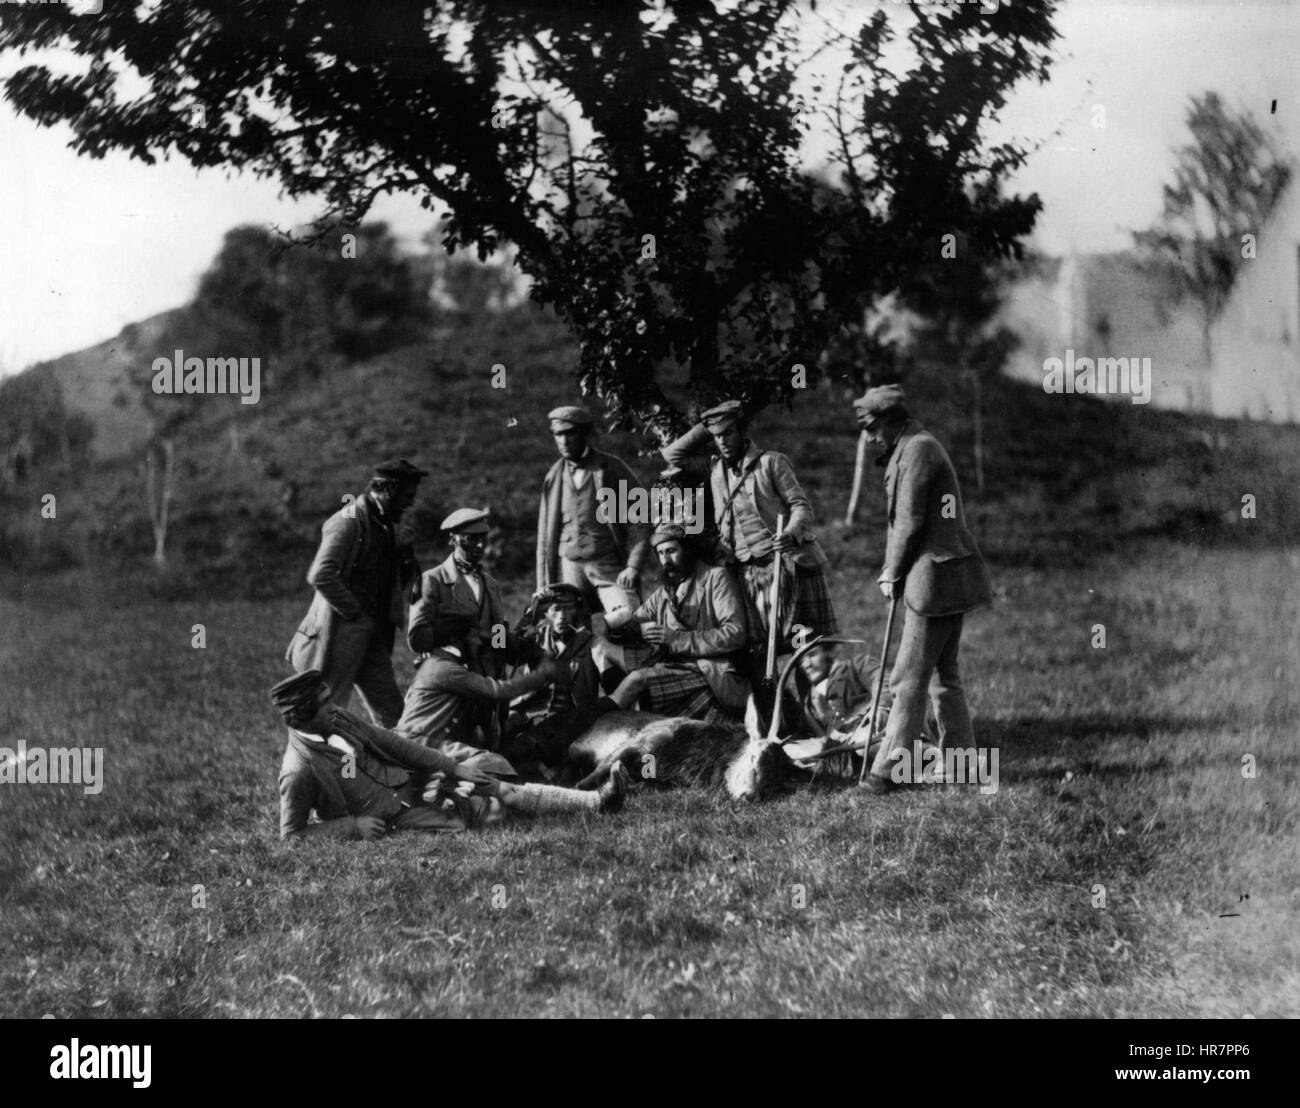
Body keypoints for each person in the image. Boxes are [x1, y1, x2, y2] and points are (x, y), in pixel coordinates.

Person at [273, 670, 627, 842]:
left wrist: (453, 766)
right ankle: (586, 800)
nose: (334, 708)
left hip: (412, 783)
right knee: (491, 813)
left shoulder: (340, 720)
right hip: (395, 818)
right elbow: (292, 837)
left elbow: (395, 744)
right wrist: (354, 826)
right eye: (324, 704)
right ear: (302, 715)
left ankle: (596, 802)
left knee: (493, 784)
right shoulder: (299, 770)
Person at [853, 384, 992, 794]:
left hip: (933, 580)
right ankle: (964, 766)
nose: (870, 437)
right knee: (943, 676)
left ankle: (886, 773)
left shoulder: (917, 450)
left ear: (892, 420)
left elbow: (910, 522)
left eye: (873, 427)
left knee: (907, 678)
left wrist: (891, 573)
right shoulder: (910, 445)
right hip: (947, 576)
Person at [660, 400, 838, 663]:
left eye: (728, 433)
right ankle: (776, 704)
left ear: (743, 432)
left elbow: (800, 506)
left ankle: (814, 701)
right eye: (717, 436)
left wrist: (790, 533)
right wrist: (706, 425)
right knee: (759, 653)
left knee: (804, 649)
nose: (723, 442)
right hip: (745, 574)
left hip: (786, 567)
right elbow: (672, 455)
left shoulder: (771, 463)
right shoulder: (714, 468)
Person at [285, 458, 426, 728]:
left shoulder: (387, 527)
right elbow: (321, 575)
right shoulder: (347, 522)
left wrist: (406, 556)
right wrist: (356, 614)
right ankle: (311, 769)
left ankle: (404, 768)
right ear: (389, 489)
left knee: (394, 715)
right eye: (407, 496)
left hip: (371, 636)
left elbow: (397, 583)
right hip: (336, 637)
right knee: (326, 715)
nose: (410, 503)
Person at [407, 507, 531, 751]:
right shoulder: (431, 580)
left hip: (490, 679)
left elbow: (496, 632)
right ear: (453, 539)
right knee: (451, 748)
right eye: (470, 539)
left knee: (494, 746)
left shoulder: (490, 583)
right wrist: (450, 630)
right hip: (453, 683)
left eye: (482, 539)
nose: (479, 546)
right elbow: (417, 639)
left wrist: (514, 644)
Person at [602, 523, 749, 726]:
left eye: (671, 551)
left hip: (709, 670)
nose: (666, 560)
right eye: (661, 554)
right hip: (675, 667)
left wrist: (675, 638)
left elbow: (735, 633)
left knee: (636, 680)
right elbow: (634, 621)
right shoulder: (665, 592)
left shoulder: (716, 578)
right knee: (601, 648)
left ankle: (595, 722)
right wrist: (636, 628)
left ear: (687, 550)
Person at [536, 405, 649, 626]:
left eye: (570, 433)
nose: (564, 441)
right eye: (558, 434)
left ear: (585, 434)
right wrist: (542, 584)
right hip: (568, 566)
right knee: (571, 627)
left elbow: (642, 516)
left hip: (606, 564)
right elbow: (544, 537)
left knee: (628, 618)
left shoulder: (610, 468)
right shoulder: (553, 476)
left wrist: (633, 566)